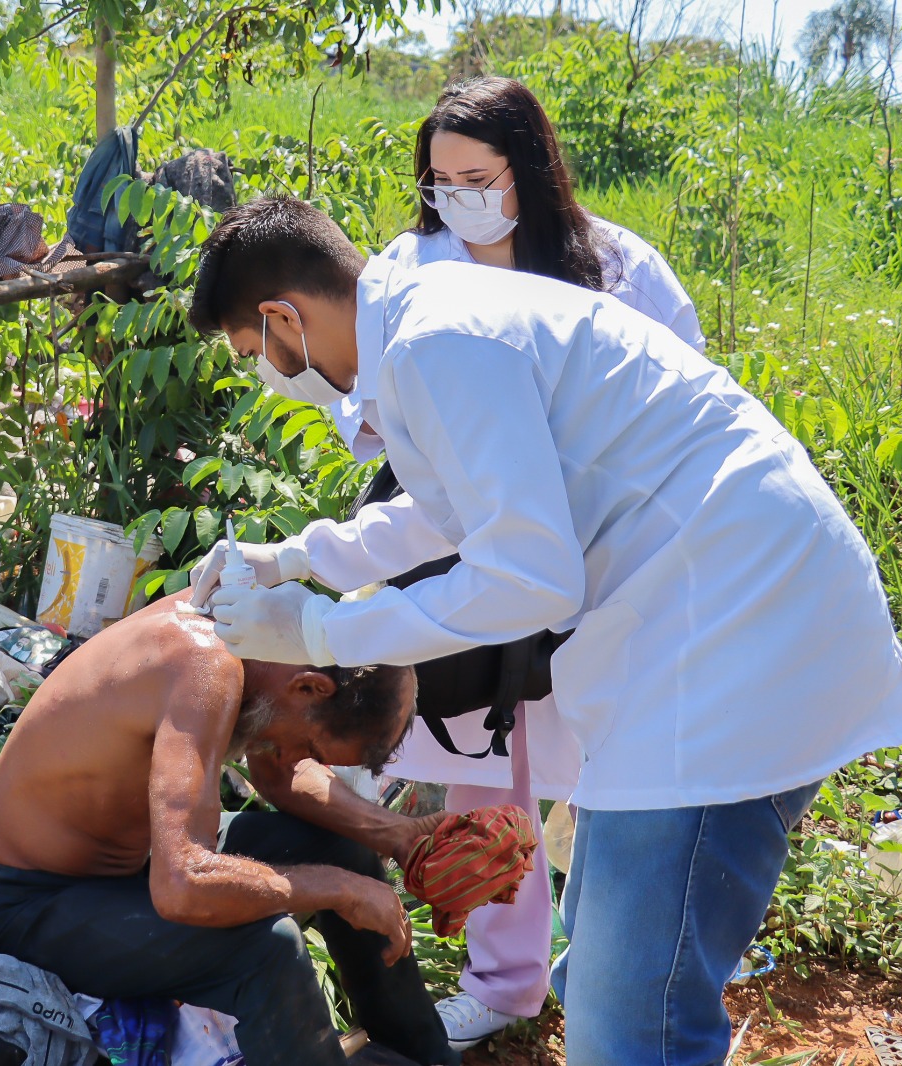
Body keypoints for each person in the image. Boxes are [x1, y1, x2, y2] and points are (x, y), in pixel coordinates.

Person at [187, 194, 902, 1066]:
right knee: (615, 962)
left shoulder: (437, 341)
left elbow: (526, 577)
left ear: (282, 318)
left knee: (629, 1020)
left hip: (734, 633)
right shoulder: (430, 329)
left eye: (252, 355)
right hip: (705, 619)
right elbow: (453, 512)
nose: (266, 373)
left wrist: (322, 631)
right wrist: (297, 558)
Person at [323, 75, 707, 1050]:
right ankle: (503, 982)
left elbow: (685, 390)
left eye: (477, 175)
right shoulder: (412, 264)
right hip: (474, 553)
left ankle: (612, 965)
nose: (457, 195)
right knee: (486, 762)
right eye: (439, 177)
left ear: (527, 173)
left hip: (604, 554)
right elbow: (362, 397)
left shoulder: (618, 266)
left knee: (622, 769)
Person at [0, 592, 464, 1066]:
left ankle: (425, 1056)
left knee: (345, 853)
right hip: (28, 906)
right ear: (311, 686)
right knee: (269, 950)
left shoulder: (265, 634)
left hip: (136, 868)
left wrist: (398, 835)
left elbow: (278, 773)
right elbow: (183, 887)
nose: (295, 760)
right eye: (310, 746)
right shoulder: (205, 664)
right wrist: (340, 890)